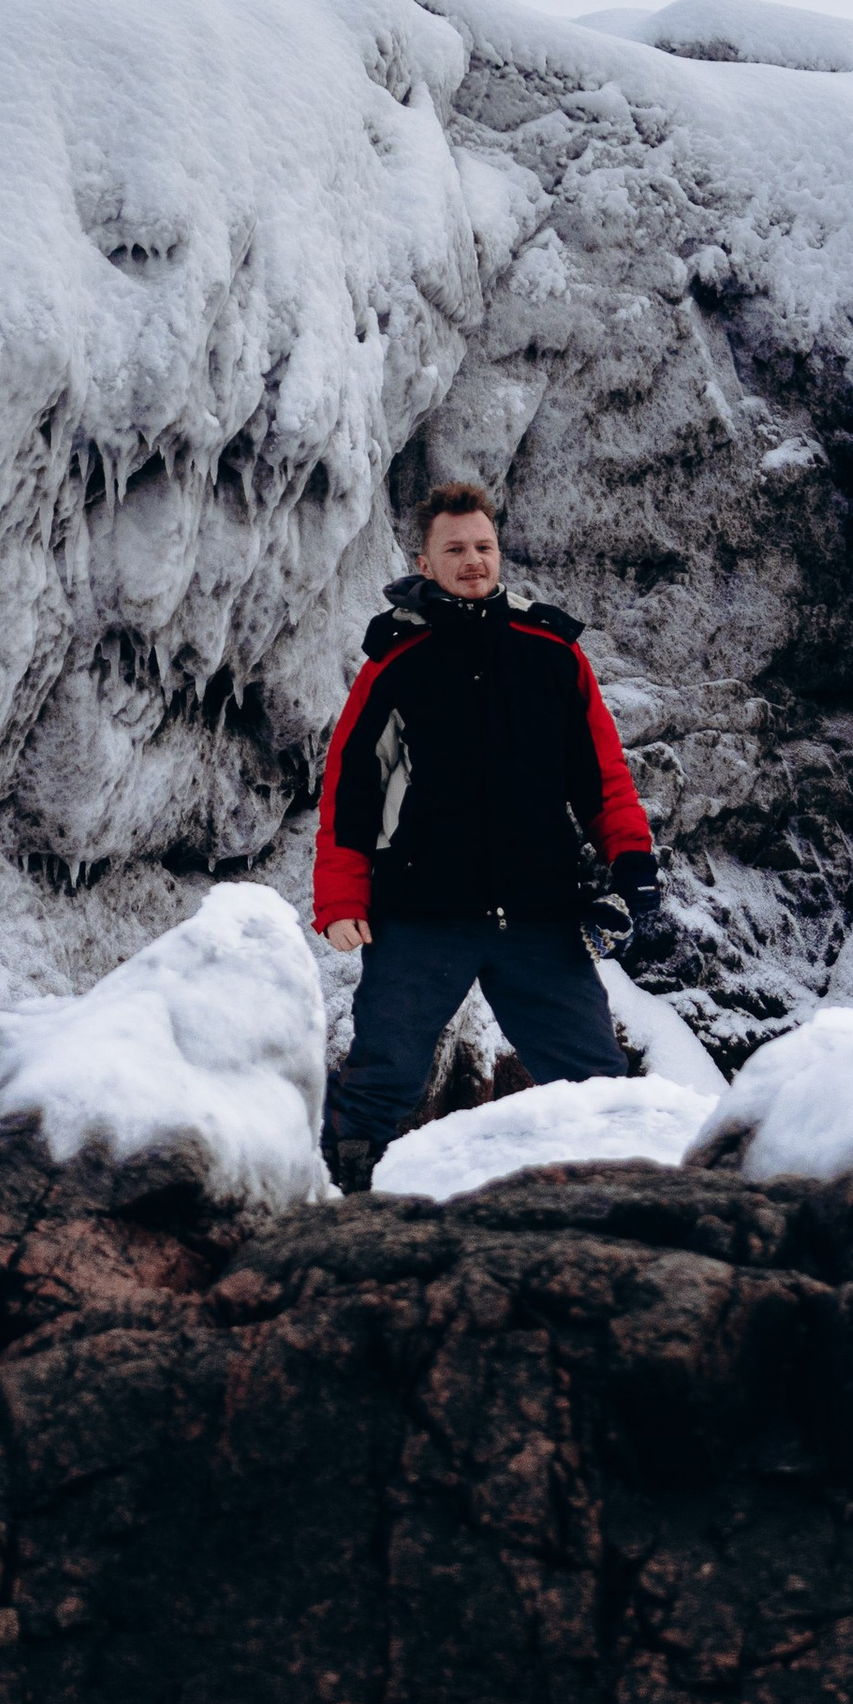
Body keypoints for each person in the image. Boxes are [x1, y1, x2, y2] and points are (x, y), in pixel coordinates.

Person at [313, 480, 672, 1193]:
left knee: (598, 1079)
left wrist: (632, 859)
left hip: (539, 914)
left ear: (498, 552)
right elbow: (348, 787)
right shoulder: (396, 663)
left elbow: (601, 776)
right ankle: (338, 1207)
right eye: (455, 549)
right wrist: (340, 897)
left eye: (483, 546)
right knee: (382, 1076)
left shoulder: (552, 653)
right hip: (422, 911)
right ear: (426, 560)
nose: (472, 560)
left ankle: (622, 1212)